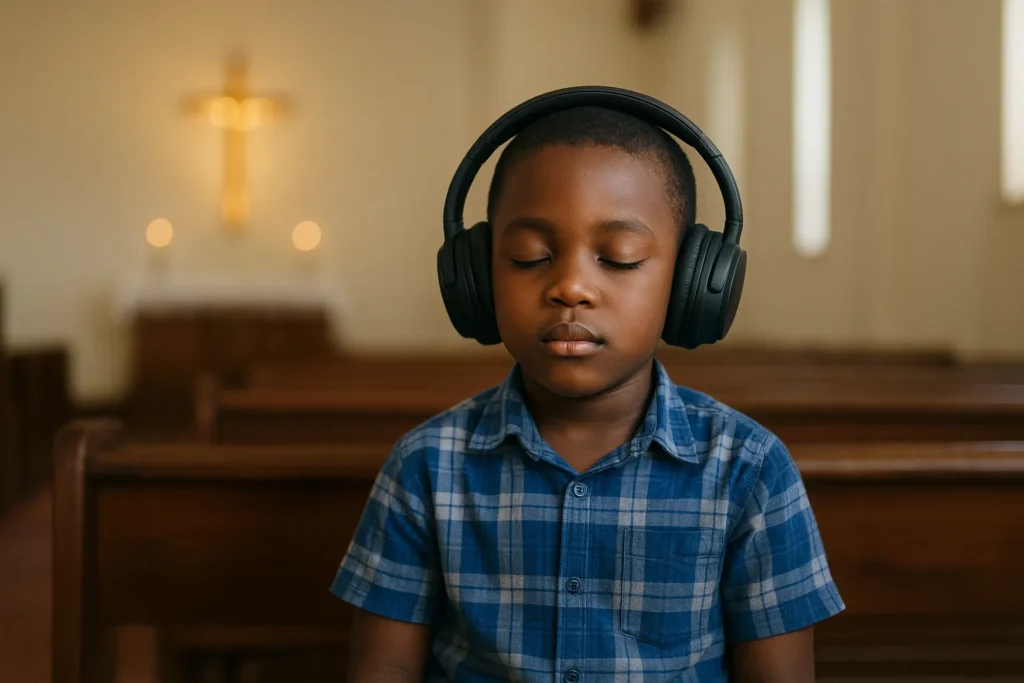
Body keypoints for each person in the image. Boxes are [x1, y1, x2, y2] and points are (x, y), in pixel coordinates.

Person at [331, 92, 845, 682]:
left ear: (692, 283)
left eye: (620, 258)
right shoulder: (426, 467)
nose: (571, 286)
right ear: (476, 274)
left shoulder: (750, 470)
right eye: (529, 257)